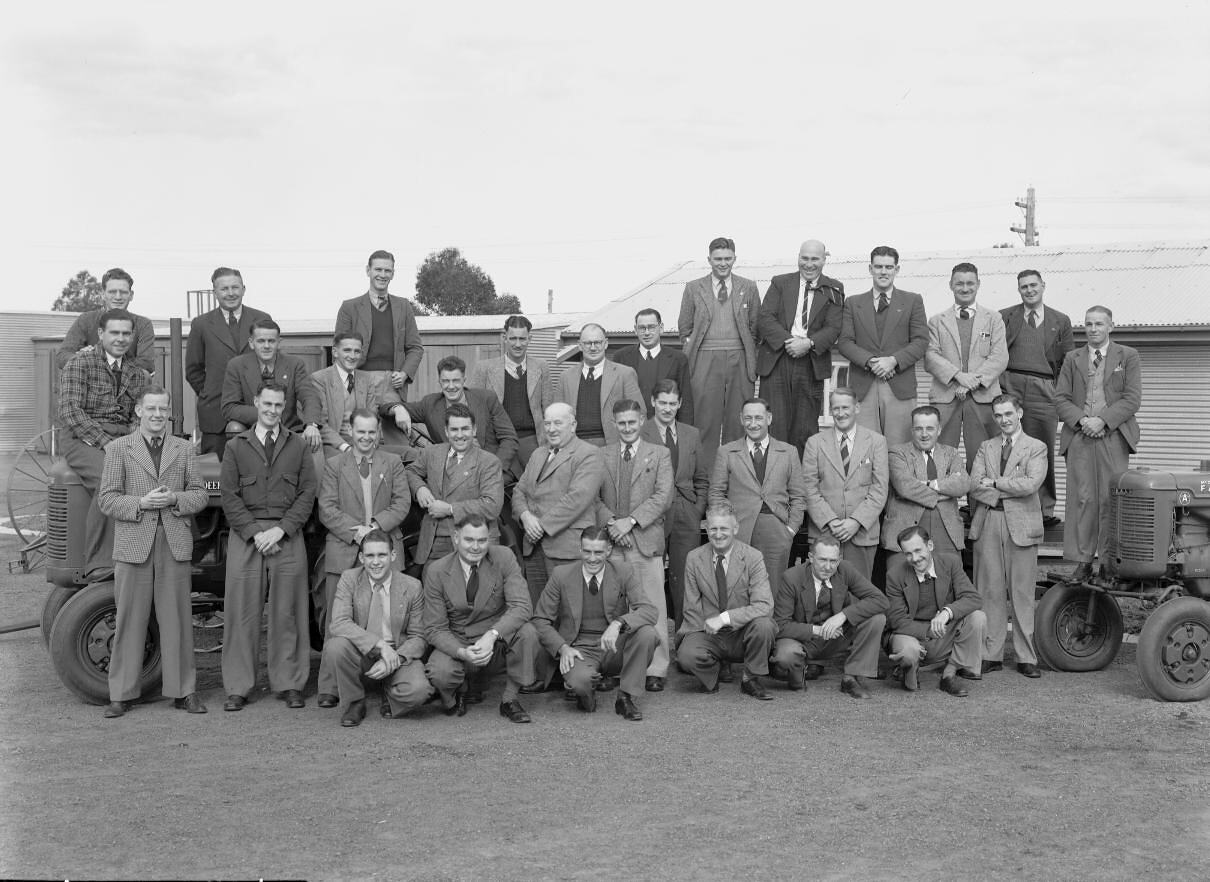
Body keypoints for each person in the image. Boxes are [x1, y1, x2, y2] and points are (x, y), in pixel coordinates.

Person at [96, 387, 209, 718]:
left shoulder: (185, 449)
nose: (158, 415)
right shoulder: (118, 449)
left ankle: (183, 691)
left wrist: (175, 499)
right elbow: (107, 499)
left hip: (174, 542)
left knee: (177, 621)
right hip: (134, 545)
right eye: (152, 409)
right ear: (139, 411)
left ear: (169, 413)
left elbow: (200, 495)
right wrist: (141, 503)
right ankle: (121, 693)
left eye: (164, 410)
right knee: (130, 619)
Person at [219, 382, 318, 712]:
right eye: (268, 404)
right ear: (256, 402)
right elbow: (229, 497)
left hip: (286, 534)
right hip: (246, 536)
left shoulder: (299, 446)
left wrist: (282, 530)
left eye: (279, 405)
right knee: (241, 613)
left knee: (288, 612)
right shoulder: (235, 447)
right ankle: (238, 686)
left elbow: (307, 494)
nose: (273, 410)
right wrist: (252, 532)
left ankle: (289, 682)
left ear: (284, 407)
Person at [315, 409, 411, 708]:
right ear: (351, 432)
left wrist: (376, 528)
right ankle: (330, 686)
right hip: (345, 548)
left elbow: (402, 502)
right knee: (337, 618)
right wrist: (357, 534)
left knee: (390, 616)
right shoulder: (334, 465)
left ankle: (392, 677)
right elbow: (326, 508)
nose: (367, 437)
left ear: (378, 433)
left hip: (384, 546)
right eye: (361, 432)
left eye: (372, 432)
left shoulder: (392, 463)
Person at [58, 308, 149, 581]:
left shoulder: (137, 373)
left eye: (126, 333)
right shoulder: (80, 363)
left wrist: (132, 443)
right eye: (115, 333)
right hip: (83, 437)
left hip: (123, 437)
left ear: (132, 336)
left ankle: (144, 555)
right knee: (108, 478)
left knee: (157, 473)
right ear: (101, 334)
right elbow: (71, 411)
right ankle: (99, 564)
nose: (120, 339)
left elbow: (137, 415)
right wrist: (108, 443)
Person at [532, 527, 658, 721]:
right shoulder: (561, 575)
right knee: (580, 683)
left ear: (608, 551)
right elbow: (540, 620)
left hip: (613, 645)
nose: (592, 558)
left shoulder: (623, 571)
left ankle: (625, 697)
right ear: (580, 549)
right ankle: (585, 691)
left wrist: (618, 623)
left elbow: (649, 611)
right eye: (587, 551)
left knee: (648, 634)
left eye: (598, 552)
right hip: (579, 649)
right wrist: (562, 648)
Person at [422, 515, 539, 723]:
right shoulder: (437, 571)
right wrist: (462, 652)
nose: (476, 547)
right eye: (469, 540)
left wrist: (492, 635)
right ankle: (458, 693)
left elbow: (522, 606)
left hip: (495, 639)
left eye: (482, 540)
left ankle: (509, 699)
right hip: (459, 640)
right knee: (440, 673)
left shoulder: (504, 558)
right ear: (456, 538)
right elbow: (434, 628)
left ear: (489, 539)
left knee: (528, 632)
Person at [1055, 306, 1142, 582]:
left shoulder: (1127, 356)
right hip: (1080, 436)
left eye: (1099, 324)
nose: (1093, 329)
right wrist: (1082, 421)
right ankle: (1082, 562)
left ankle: (1108, 563)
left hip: (1113, 436)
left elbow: (1132, 399)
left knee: (1110, 499)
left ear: (1111, 326)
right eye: (1089, 324)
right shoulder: (1072, 358)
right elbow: (1060, 399)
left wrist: (1103, 420)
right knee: (1083, 499)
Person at [595, 399, 673, 692]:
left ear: (642, 420)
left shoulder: (660, 454)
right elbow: (593, 497)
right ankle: (614, 666)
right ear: (614, 424)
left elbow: (663, 496)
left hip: (645, 541)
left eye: (632, 422)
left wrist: (631, 522)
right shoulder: (602, 455)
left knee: (651, 604)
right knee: (613, 607)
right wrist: (614, 523)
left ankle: (656, 668)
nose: (627, 428)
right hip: (613, 541)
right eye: (621, 423)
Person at [321, 530, 434, 727]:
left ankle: (390, 696)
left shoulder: (412, 586)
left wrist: (396, 658)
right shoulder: (349, 579)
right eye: (370, 556)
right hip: (364, 652)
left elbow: (419, 636)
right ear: (361, 557)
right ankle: (355, 702)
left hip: (397, 653)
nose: (376, 562)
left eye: (381, 555)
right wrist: (379, 645)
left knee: (420, 691)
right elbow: (339, 622)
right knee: (335, 646)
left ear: (392, 556)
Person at [969, 394, 1047, 679]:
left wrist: (996, 483)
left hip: (1022, 525)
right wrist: (998, 486)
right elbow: (975, 485)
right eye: (998, 415)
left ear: (1020, 413)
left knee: (1022, 593)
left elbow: (1031, 484)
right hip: (989, 519)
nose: (1003, 420)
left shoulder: (1036, 447)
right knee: (989, 590)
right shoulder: (985, 447)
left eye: (1008, 414)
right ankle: (992, 654)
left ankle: (1026, 657)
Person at [676, 503, 778, 699]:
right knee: (687, 655)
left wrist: (724, 619)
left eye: (724, 528)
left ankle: (751, 678)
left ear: (735, 529)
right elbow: (691, 607)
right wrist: (699, 638)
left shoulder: (753, 557)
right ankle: (712, 672)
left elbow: (764, 606)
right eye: (713, 528)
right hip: (709, 631)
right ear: (706, 529)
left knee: (765, 625)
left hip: (742, 631)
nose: (718, 534)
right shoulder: (694, 558)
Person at [677, 236, 761, 468]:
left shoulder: (749, 287)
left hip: (739, 358)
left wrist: (746, 353)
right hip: (705, 358)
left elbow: (756, 326)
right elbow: (685, 326)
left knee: (738, 420)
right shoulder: (694, 288)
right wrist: (695, 347)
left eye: (727, 258)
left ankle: (736, 477)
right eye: (718, 259)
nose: (723, 263)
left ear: (734, 258)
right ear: (709, 260)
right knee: (705, 421)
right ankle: (704, 480)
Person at [756, 239, 845, 454]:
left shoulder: (834, 288)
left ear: (824, 260)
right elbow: (765, 318)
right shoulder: (780, 282)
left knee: (805, 430)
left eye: (815, 259)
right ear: (798, 258)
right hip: (778, 358)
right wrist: (791, 342)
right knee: (774, 426)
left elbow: (834, 327)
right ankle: (774, 483)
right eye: (804, 258)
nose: (809, 264)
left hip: (810, 361)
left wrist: (808, 343)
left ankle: (801, 485)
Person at [771, 535, 888, 699]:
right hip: (803, 639)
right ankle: (798, 671)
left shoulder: (845, 569)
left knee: (877, 619)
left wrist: (843, 615)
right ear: (811, 558)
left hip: (836, 636)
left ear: (839, 559)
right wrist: (818, 630)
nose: (828, 567)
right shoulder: (791, 577)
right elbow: (780, 625)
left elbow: (881, 600)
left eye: (833, 561)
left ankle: (851, 678)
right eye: (822, 560)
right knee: (786, 656)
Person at [1000, 270, 1074, 527]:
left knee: (1041, 448)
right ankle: (1006, 500)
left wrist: (1061, 395)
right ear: (1018, 290)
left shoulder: (1060, 320)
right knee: (1007, 445)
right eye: (1023, 287)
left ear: (1043, 286)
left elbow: (1069, 362)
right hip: (1011, 384)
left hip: (1045, 387)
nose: (1029, 290)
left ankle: (1044, 507)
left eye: (1033, 285)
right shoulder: (1005, 316)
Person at [513, 403, 607, 603]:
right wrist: (525, 516)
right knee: (539, 613)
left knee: (568, 614)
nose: (551, 429)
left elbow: (577, 499)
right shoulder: (538, 453)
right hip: (533, 548)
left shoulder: (589, 453)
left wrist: (540, 526)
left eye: (557, 423)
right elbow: (519, 491)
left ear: (573, 425)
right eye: (547, 423)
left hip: (566, 548)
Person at [708, 397, 806, 587]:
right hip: (739, 530)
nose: (753, 424)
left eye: (758, 418)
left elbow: (798, 495)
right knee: (738, 588)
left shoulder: (788, 452)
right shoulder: (727, 452)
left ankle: (770, 619)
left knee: (773, 588)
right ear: (741, 419)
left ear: (769, 418)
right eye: (748, 418)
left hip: (777, 530)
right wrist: (727, 525)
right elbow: (716, 493)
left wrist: (791, 529)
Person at [837, 245, 928, 448]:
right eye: (878, 267)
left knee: (900, 450)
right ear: (870, 269)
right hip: (864, 386)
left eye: (889, 267)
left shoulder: (913, 301)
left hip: (899, 385)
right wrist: (871, 362)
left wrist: (893, 361)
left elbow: (921, 341)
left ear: (897, 269)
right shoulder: (853, 303)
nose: (883, 272)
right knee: (865, 450)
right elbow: (844, 342)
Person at [924, 262, 1009, 470]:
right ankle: (943, 502)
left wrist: (971, 383)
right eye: (959, 283)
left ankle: (979, 503)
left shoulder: (994, 319)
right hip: (946, 396)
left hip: (983, 397)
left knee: (984, 458)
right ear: (950, 285)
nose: (965, 288)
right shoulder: (936, 321)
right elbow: (930, 356)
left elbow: (999, 357)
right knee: (940, 455)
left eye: (970, 283)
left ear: (978, 284)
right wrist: (959, 377)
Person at [639, 379, 708, 630]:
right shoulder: (641, 431)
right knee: (652, 578)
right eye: (662, 403)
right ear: (652, 402)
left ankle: (684, 638)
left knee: (684, 579)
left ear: (679, 404)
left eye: (672, 403)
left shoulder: (691, 433)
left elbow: (701, 477)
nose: (667, 409)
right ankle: (652, 642)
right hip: (653, 514)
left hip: (686, 512)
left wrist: (697, 508)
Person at [886, 526, 987, 697]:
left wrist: (947, 612)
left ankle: (949, 675)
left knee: (978, 618)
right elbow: (897, 621)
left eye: (918, 550)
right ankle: (908, 671)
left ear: (930, 545)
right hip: (910, 635)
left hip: (942, 632)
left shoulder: (950, 563)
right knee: (909, 652)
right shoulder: (895, 575)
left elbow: (974, 598)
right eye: (908, 553)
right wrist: (928, 631)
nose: (915, 558)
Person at [800, 388, 889, 579]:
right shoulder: (814, 443)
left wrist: (856, 522)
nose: (840, 413)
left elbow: (880, 488)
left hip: (862, 534)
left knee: (858, 596)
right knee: (822, 594)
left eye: (845, 407)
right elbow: (809, 488)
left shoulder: (876, 442)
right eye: (835, 408)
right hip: (824, 533)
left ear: (856, 408)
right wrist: (831, 521)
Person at [185, 267, 272, 458]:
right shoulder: (201, 324)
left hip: (256, 412)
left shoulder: (262, 319)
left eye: (235, 287)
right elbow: (193, 370)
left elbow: (271, 362)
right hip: (216, 415)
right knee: (213, 478)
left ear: (244, 289)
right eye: (224, 289)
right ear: (215, 292)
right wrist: (211, 392)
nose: (231, 293)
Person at [406, 403, 505, 566]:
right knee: (432, 589)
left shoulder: (489, 462)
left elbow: (492, 506)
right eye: (454, 429)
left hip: (473, 542)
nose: (460, 435)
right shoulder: (432, 453)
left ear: (474, 430)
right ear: (446, 431)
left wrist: (450, 509)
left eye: (465, 429)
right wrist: (419, 488)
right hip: (433, 542)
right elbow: (410, 471)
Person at [883, 406, 969, 566]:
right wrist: (945, 491)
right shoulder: (897, 453)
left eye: (930, 428)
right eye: (919, 429)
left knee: (947, 586)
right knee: (903, 587)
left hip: (947, 531)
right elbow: (905, 486)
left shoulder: (952, 454)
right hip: (904, 530)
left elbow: (962, 484)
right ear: (912, 430)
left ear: (939, 430)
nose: (924, 434)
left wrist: (930, 484)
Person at [221, 318, 322, 452]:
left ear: (278, 343)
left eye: (271, 341)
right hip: (252, 430)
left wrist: (311, 425)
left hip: (288, 430)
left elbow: (310, 396)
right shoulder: (237, 366)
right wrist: (267, 414)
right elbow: (229, 407)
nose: (266, 346)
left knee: (314, 441)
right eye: (261, 341)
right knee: (234, 427)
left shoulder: (294, 364)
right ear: (251, 343)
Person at [396, 355, 518, 467]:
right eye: (446, 381)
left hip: (490, 465)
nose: (451, 386)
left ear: (464, 380)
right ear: (439, 381)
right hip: (455, 471)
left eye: (456, 380)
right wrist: (397, 409)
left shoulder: (487, 398)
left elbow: (509, 437)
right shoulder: (430, 404)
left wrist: (496, 467)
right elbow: (384, 408)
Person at [467, 315, 549, 479]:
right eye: (513, 338)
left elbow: (548, 407)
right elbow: (472, 408)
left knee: (536, 486)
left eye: (522, 339)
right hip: (497, 443)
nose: (517, 344)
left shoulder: (541, 367)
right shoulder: (484, 368)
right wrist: (473, 438)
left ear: (529, 339)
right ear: (504, 338)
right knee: (497, 485)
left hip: (531, 441)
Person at [333, 249, 424, 397]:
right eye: (378, 269)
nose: (382, 275)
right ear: (368, 271)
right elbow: (338, 349)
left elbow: (415, 348)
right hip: (359, 381)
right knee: (360, 421)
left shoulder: (404, 306)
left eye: (387, 270)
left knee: (397, 418)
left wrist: (404, 374)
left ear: (393, 274)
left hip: (393, 383)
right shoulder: (349, 307)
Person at [310, 330, 411, 457]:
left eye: (357, 351)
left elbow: (373, 417)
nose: (352, 356)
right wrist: (346, 448)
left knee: (410, 454)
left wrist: (372, 444)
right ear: (335, 352)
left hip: (365, 443)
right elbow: (321, 424)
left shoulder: (366, 379)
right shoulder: (320, 379)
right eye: (347, 350)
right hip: (335, 446)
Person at [552, 324, 642, 447]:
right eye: (588, 343)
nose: (593, 348)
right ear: (579, 345)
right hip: (573, 445)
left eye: (598, 342)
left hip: (612, 445)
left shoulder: (625, 374)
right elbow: (555, 416)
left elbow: (639, 413)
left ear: (606, 343)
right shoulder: (566, 377)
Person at [56, 268, 157, 375]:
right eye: (112, 292)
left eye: (123, 292)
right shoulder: (85, 320)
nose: (118, 297)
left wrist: (94, 362)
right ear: (103, 294)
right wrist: (82, 358)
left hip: (129, 388)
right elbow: (62, 356)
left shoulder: (143, 324)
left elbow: (146, 363)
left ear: (131, 295)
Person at [611, 308, 694, 424]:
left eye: (651, 327)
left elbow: (686, 402)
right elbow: (615, 398)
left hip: (665, 428)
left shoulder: (678, 359)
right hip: (631, 428)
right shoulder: (621, 358)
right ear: (635, 330)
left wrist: (685, 433)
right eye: (642, 328)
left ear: (661, 328)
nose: (646, 332)